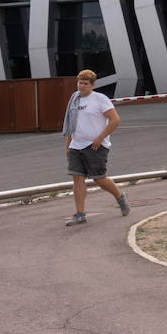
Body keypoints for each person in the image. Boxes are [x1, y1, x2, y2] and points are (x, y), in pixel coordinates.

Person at [61, 70, 130, 226]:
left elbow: (114, 120)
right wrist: (68, 145)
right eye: (80, 83)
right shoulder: (74, 99)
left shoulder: (100, 99)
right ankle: (80, 214)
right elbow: (72, 124)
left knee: (99, 179)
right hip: (76, 145)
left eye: (86, 83)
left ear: (92, 85)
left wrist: (100, 138)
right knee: (77, 178)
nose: (82, 86)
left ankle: (120, 197)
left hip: (96, 146)